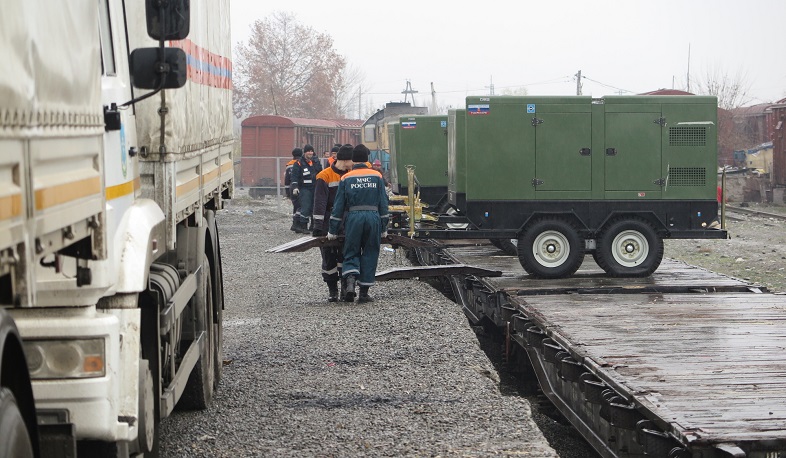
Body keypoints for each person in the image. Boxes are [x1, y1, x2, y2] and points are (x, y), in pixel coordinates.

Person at [327, 144, 389, 303]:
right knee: (370, 251)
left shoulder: (346, 178)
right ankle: (364, 293)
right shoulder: (377, 176)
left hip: (353, 217)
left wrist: (332, 229)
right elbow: (383, 202)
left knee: (351, 250)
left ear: (353, 160)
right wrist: (384, 226)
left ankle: (349, 284)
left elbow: (339, 205)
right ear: (367, 159)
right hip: (373, 217)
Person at [312, 144, 354, 301]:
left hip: (347, 222)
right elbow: (319, 203)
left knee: (345, 256)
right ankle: (332, 290)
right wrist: (317, 226)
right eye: (352, 160)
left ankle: (345, 288)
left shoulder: (351, 175)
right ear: (346, 160)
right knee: (328, 258)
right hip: (327, 223)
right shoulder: (324, 176)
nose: (353, 164)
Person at [290, 144, 322, 233]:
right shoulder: (299, 163)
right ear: (305, 152)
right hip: (304, 188)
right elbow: (294, 177)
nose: (310, 153)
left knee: (314, 207)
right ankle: (303, 226)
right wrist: (295, 187)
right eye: (308, 151)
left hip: (315, 188)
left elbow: (321, 173)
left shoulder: (316, 162)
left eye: (311, 151)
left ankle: (313, 225)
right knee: (306, 207)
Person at [285, 148, 302, 232]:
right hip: (299, 186)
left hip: (292, 187)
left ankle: (294, 223)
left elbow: (286, 180)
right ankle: (296, 224)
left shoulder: (289, 165)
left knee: (295, 205)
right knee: (300, 206)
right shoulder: (301, 164)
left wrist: (287, 192)